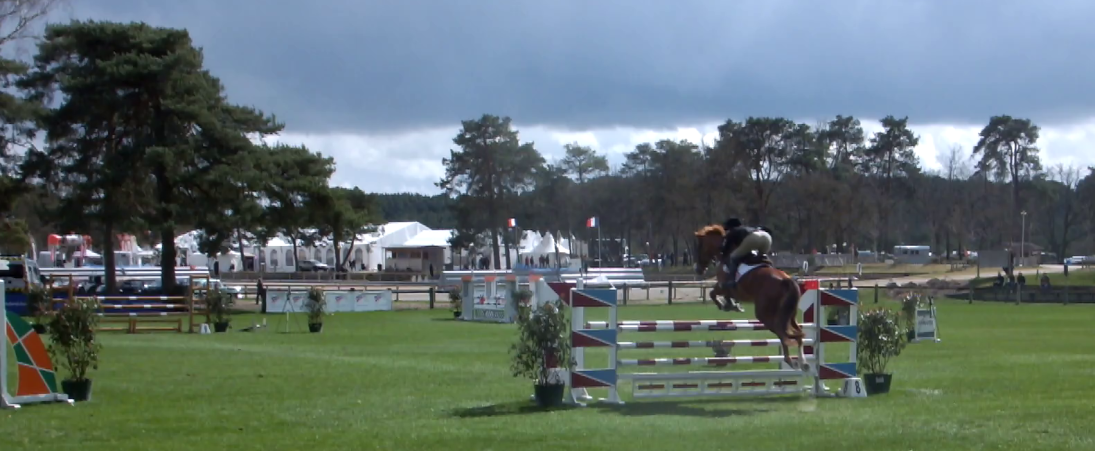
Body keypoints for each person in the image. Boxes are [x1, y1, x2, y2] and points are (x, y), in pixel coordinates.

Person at [720, 217, 774, 290]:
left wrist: (722, 257)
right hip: (766, 237)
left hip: (753, 238)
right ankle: (771, 270)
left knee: (732, 257)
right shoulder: (746, 228)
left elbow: (726, 249)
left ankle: (732, 281)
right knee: (764, 258)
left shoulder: (732, 231)